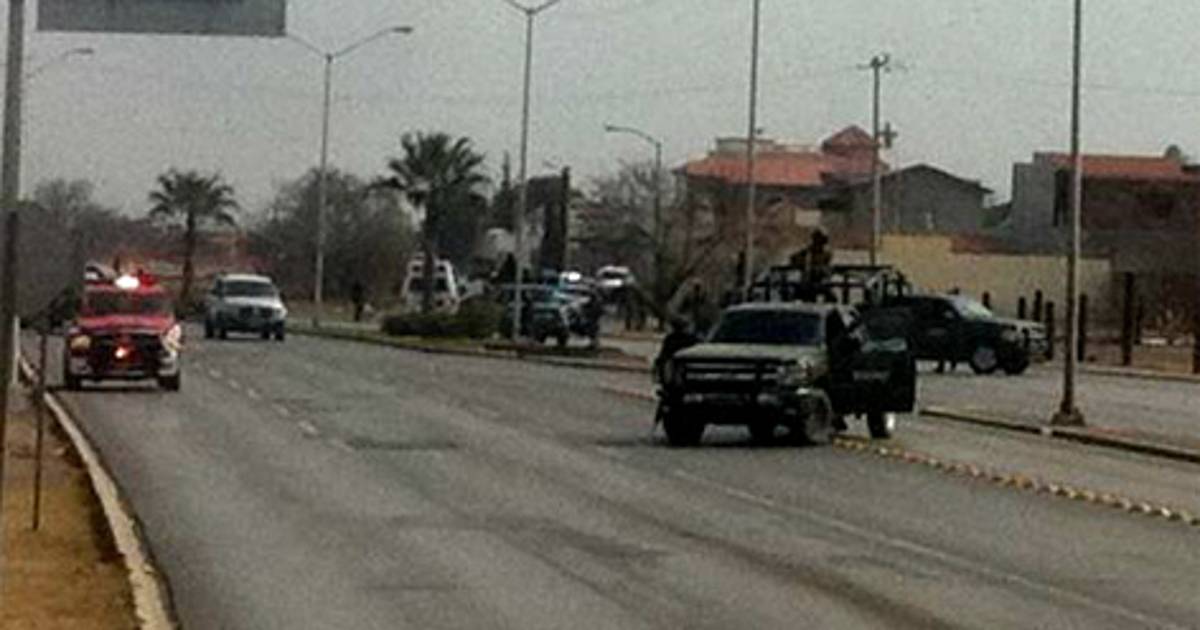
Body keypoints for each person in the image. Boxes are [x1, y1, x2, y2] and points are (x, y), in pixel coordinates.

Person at [654, 317, 700, 384]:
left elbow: (664, 354)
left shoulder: (670, 338)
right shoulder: (691, 338)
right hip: (684, 367)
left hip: (677, 367)